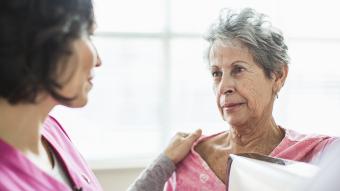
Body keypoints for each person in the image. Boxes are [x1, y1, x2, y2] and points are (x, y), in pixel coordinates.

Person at [0, 0, 201, 190]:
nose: (98, 60)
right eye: (88, 35)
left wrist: (165, 162)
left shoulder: (52, 132)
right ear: (45, 39)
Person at [165, 8, 339, 191]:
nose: (224, 87)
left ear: (278, 76)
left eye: (238, 69)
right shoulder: (188, 157)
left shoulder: (320, 154)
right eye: (216, 73)